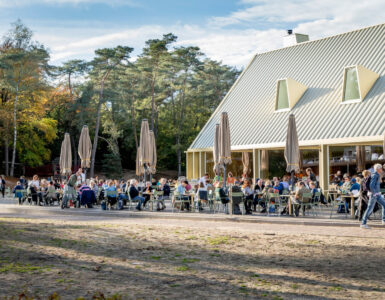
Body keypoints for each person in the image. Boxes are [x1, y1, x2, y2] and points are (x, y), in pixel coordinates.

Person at [361, 164, 385, 229]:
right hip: (374, 195)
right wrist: (375, 193)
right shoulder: (375, 175)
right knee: (370, 209)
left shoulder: (375, 174)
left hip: (377, 194)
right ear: (378, 169)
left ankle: (384, 220)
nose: (382, 170)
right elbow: (371, 186)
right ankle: (363, 223)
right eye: (381, 168)